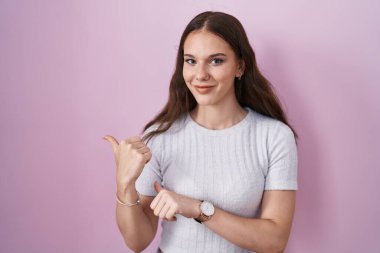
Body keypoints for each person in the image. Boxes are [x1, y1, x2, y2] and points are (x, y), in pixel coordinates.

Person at [104, 11, 298, 253]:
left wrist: (198, 208)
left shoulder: (274, 137)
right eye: (191, 61)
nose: (200, 75)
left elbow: (275, 241)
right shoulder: (159, 137)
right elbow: (137, 241)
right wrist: (125, 184)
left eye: (216, 61)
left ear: (240, 66)